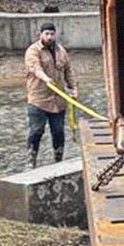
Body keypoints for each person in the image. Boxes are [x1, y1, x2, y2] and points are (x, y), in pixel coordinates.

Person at [23, 24, 76, 168]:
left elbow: (68, 71)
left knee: (58, 132)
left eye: (52, 34)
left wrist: (73, 88)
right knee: (36, 131)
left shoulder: (61, 51)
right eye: (47, 34)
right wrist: (45, 78)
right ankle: (31, 161)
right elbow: (35, 68)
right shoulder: (33, 51)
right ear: (41, 34)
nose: (50, 37)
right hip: (38, 100)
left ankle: (58, 160)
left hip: (58, 101)